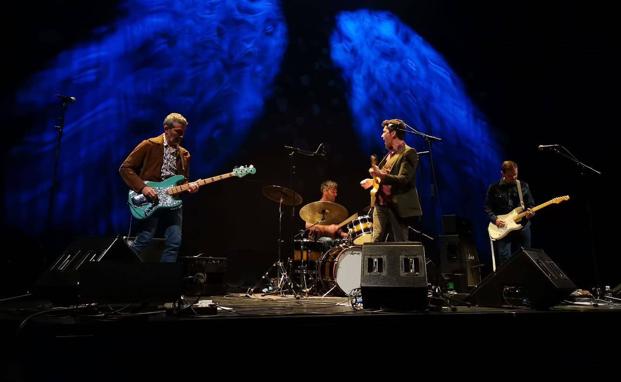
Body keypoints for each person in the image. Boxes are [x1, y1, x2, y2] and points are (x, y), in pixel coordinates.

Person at [119, 112, 198, 262]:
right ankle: (121, 269)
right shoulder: (149, 145)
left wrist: (190, 187)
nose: (181, 136)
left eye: (183, 133)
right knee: (144, 238)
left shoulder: (185, 154)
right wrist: (143, 188)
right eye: (178, 132)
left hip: (173, 201)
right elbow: (125, 168)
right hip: (151, 198)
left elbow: (183, 180)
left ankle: (165, 280)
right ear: (166, 128)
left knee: (174, 242)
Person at [360, 119, 422, 242]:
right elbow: (384, 179)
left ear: (393, 133)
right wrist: (372, 181)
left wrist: (380, 175)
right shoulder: (389, 155)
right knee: (375, 241)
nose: (382, 136)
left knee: (400, 243)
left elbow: (403, 179)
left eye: (384, 132)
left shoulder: (408, 153)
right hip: (380, 204)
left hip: (396, 207)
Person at [484, 160, 535, 266]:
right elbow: (487, 207)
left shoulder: (523, 186)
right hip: (503, 226)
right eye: (510, 175)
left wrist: (531, 212)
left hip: (522, 225)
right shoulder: (494, 188)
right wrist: (495, 219)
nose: (514, 177)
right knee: (504, 258)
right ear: (502, 174)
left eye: (515, 174)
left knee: (525, 256)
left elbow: (530, 204)